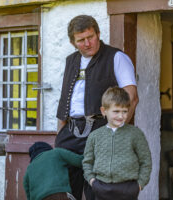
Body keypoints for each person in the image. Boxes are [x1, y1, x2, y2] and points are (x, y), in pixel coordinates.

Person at [55, 15, 139, 200]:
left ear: (98, 34)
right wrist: (60, 135)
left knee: (100, 191)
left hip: (102, 130)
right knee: (65, 190)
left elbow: (131, 98)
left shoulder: (116, 57)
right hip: (69, 133)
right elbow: (66, 100)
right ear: (73, 42)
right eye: (81, 40)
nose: (87, 43)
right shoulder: (71, 61)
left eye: (90, 37)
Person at [83, 87, 152, 200]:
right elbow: (87, 162)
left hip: (128, 188)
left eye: (124, 111)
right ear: (104, 111)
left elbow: (146, 161)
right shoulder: (94, 136)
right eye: (116, 111)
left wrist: (139, 185)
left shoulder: (135, 134)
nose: (121, 116)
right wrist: (92, 181)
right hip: (101, 187)